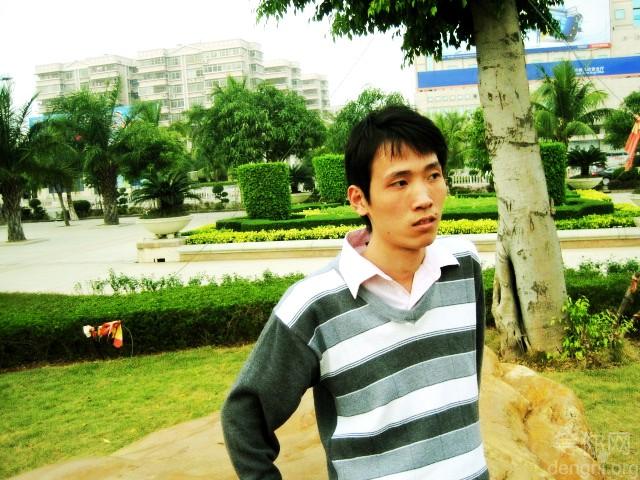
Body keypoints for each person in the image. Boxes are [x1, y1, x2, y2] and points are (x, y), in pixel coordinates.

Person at [221, 105, 488, 480]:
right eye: (400, 183)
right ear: (359, 199)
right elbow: (244, 415)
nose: (424, 197)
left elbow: (465, 381)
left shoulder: (463, 265)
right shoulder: (314, 305)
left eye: (433, 175)